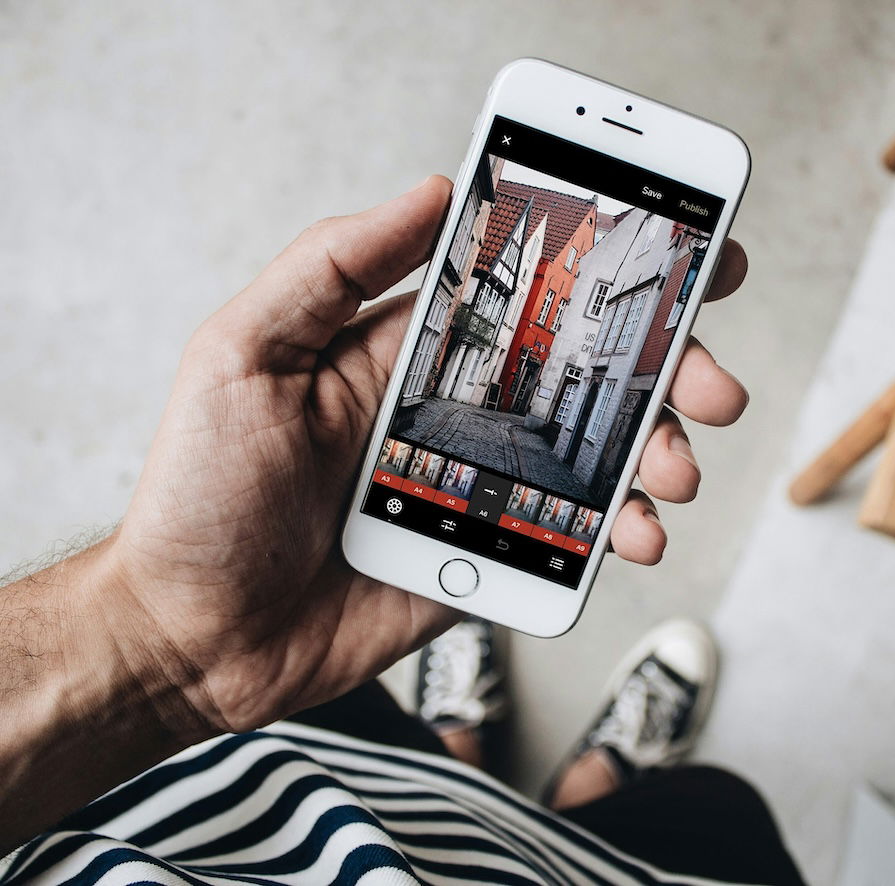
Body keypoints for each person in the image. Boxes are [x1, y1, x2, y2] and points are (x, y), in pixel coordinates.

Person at [0, 177, 803, 884]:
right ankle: (589, 784)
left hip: (225, 790)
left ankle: (456, 739)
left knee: (406, 761)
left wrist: (149, 640)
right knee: (715, 816)